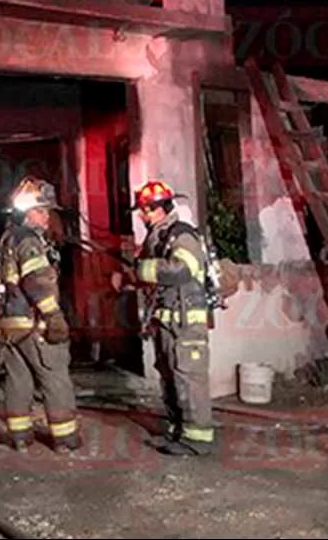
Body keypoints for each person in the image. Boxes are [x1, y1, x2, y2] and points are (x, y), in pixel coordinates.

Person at [116, 180, 216, 456]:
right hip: (167, 320)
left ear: (158, 208)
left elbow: (182, 270)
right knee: (170, 376)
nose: (141, 216)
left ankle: (198, 438)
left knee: (189, 376)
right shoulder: (158, 236)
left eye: (145, 211)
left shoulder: (181, 233)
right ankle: (178, 431)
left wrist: (143, 269)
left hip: (186, 322)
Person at [0, 176, 79, 452]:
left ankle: (20, 437)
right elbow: (37, 281)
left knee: (18, 379)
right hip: (34, 321)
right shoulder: (29, 240)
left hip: (11, 322)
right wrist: (53, 315)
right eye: (42, 210)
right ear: (28, 212)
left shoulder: (8, 237)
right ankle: (65, 438)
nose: (47, 217)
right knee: (54, 375)